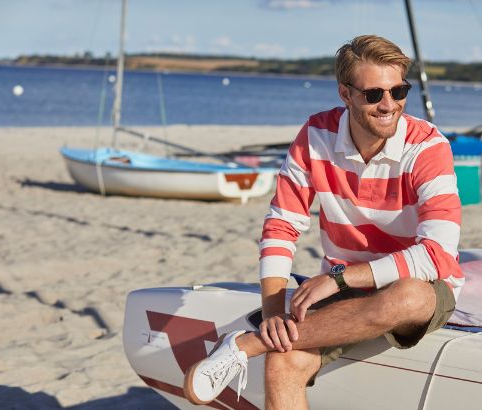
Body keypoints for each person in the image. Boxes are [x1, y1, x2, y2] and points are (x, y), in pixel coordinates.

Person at [183, 34, 463, 409]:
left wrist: (337, 279)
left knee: (408, 295)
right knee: (282, 360)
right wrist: (272, 317)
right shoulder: (316, 136)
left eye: (399, 91)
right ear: (345, 94)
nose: (389, 105)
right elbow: (282, 224)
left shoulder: (428, 147)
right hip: (346, 290)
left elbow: (437, 255)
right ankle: (264, 342)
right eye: (373, 94)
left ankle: (243, 346)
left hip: (412, 288)